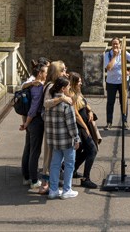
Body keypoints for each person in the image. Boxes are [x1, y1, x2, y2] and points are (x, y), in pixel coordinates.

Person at [44, 76, 81, 199]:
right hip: (66, 140)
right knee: (69, 164)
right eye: (68, 86)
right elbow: (71, 124)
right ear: (64, 88)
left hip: (53, 139)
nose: (70, 88)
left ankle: (53, 190)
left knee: (55, 164)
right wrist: (76, 138)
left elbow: (45, 118)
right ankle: (67, 190)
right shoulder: (66, 104)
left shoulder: (49, 103)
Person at [38, 60, 70, 194]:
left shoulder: (55, 85)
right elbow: (46, 103)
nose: (65, 73)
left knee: (54, 154)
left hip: (54, 125)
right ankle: (45, 182)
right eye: (62, 70)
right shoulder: (50, 86)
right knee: (49, 154)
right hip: (51, 126)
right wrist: (61, 98)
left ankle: (52, 181)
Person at [20, 63, 48, 192]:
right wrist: (27, 122)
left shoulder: (33, 84)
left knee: (29, 148)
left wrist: (26, 121)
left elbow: (22, 87)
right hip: (35, 121)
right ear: (40, 73)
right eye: (45, 72)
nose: (47, 74)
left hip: (30, 121)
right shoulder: (38, 87)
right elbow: (33, 108)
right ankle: (34, 180)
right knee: (35, 152)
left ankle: (26, 177)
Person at [69, 72, 99, 189]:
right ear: (74, 82)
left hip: (85, 124)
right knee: (92, 150)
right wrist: (85, 128)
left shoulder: (78, 92)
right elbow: (76, 114)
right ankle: (86, 178)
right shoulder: (71, 95)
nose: (81, 83)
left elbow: (85, 103)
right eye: (79, 81)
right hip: (80, 126)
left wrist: (90, 111)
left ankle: (73, 169)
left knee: (84, 149)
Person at [104, 37, 130, 129]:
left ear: (120, 45)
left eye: (117, 44)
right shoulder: (107, 55)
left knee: (123, 101)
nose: (115, 45)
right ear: (111, 45)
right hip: (111, 82)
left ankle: (124, 121)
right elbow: (108, 67)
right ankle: (109, 122)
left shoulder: (124, 53)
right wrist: (115, 56)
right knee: (110, 102)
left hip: (123, 81)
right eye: (113, 44)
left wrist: (129, 72)